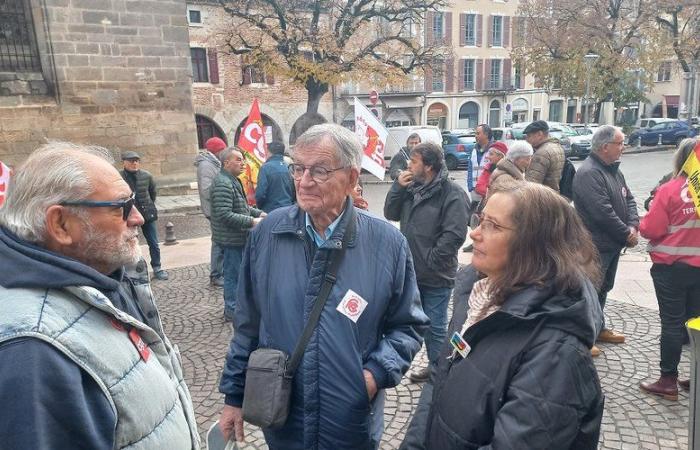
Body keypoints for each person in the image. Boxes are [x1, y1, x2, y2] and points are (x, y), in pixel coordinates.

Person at [218, 123, 428, 449]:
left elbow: (408, 326)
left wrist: (372, 376)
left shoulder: (387, 243)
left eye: (319, 171)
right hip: (285, 419)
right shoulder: (267, 234)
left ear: (352, 179)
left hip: (349, 420)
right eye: (298, 168)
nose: (303, 182)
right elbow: (247, 325)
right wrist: (233, 395)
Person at [0, 142, 200, 449]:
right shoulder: (32, 351)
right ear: (61, 224)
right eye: (121, 207)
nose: (137, 218)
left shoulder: (103, 274)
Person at [424, 181, 604, 449]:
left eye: (493, 226)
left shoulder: (556, 351)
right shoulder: (478, 296)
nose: (474, 234)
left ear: (534, 243)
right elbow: (439, 378)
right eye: (480, 219)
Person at [384, 142, 469, 383]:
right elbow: (391, 214)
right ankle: (433, 366)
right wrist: (398, 188)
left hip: (435, 275)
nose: (409, 166)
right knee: (408, 322)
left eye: (414, 161)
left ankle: (438, 371)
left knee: (435, 327)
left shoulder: (452, 193)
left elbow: (453, 235)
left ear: (429, 166)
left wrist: (430, 261)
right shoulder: (412, 188)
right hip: (411, 271)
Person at [639, 138, 700, 400]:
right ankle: (696, 377)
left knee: (672, 324)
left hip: (672, 268)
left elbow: (651, 229)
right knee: (697, 323)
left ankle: (668, 380)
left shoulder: (670, 189)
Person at [573, 125, 639, 357]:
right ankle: (584, 336)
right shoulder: (589, 172)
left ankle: (598, 327)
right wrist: (626, 233)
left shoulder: (614, 171)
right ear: (605, 147)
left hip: (611, 244)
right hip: (594, 244)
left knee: (603, 288)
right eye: (620, 143)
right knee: (589, 290)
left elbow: (629, 199)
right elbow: (601, 212)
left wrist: (633, 226)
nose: (623, 147)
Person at [210, 147, 265, 321]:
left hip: (237, 238)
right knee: (232, 277)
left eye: (242, 159)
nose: (243, 163)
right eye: (239, 159)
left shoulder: (232, 180)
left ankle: (238, 307)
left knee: (240, 275)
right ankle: (231, 311)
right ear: (226, 162)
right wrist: (252, 221)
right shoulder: (222, 183)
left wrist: (257, 213)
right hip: (231, 239)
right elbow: (224, 214)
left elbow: (240, 206)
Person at [120, 151, 168, 280]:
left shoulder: (147, 176)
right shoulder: (119, 177)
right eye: (131, 161)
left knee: (153, 243)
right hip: (129, 216)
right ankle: (129, 270)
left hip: (147, 214)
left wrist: (148, 206)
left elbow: (152, 194)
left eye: (136, 160)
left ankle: (157, 268)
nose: (134, 163)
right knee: (127, 243)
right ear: (124, 162)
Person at [196, 136, 227, 287]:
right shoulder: (207, 165)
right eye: (223, 149)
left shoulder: (213, 163)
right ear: (217, 150)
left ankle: (221, 271)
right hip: (215, 209)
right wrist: (224, 191)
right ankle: (216, 274)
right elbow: (206, 190)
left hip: (217, 207)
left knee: (222, 241)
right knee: (219, 242)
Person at [524, 120, 565, 192]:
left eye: (529, 136)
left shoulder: (542, 153)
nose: (527, 140)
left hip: (542, 198)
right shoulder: (557, 146)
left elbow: (531, 184)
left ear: (540, 134)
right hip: (553, 195)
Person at [255, 141, 295, 213]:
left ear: (268, 152)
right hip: (288, 209)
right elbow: (293, 191)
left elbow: (260, 194)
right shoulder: (287, 167)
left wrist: (259, 208)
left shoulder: (265, 168)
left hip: (271, 210)